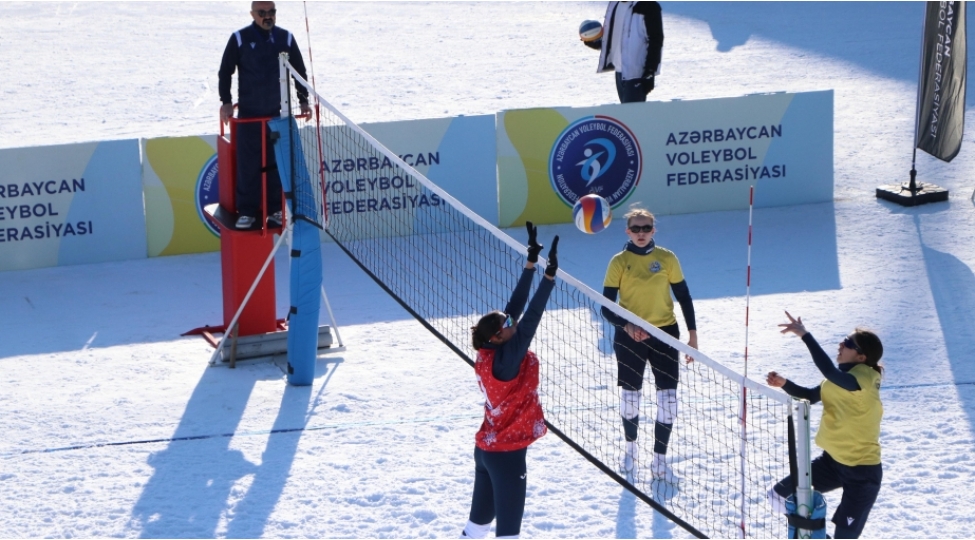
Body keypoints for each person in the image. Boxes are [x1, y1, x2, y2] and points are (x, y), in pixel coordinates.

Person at [461, 222, 559, 539]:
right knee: (508, 536)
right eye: (507, 325)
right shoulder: (507, 362)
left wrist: (531, 263)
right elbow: (529, 320)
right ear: (499, 336)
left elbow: (514, 313)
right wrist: (548, 278)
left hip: (488, 450)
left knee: (476, 529)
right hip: (505, 459)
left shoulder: (493, 350)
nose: (511, 322)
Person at [766, 312, 884, 539]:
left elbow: (828, 370)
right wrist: (784, 384)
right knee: (778, 496)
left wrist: (804, 334)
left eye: (849, 343)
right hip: (832, 463)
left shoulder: (865, 379)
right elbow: (809, 396)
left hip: (862, 473)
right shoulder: (842, 379)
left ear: (861, 357)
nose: (841, 344)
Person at [601, 207, 697, 480]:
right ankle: (631, 450)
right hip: (630, 337)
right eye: (636, 228)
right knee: (631, 397)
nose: (641, 233)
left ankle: (659, 461)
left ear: (653, 230)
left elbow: (684, 296)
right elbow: (607, 309)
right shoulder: (618, 262)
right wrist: (627, 326)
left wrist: (693, 336)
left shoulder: (667, 258)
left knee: (668, 400)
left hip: (665, 334)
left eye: (646, 228)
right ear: (627, 231)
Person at [218, 1, 310, 229]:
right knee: (248, 165)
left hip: (276, 116)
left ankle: (276, 210)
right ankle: (247, 211)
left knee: (275, 164)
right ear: (253, 14)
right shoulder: (239, 38)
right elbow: (225, 72)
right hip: (249, 117)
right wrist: (226, 102)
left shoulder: (285, 38)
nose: (267, 16)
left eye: (272, 12)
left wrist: (304, 100)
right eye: (262, 13)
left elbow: (299, 71)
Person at [583, 1, 664, 103]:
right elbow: (615, 39)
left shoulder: (648, 6)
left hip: (636, 75)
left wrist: (650, 72)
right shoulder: (615, 5)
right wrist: (596, 43)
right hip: (619, 73)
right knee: (626, 116)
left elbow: (655, 41)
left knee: (633, 116)